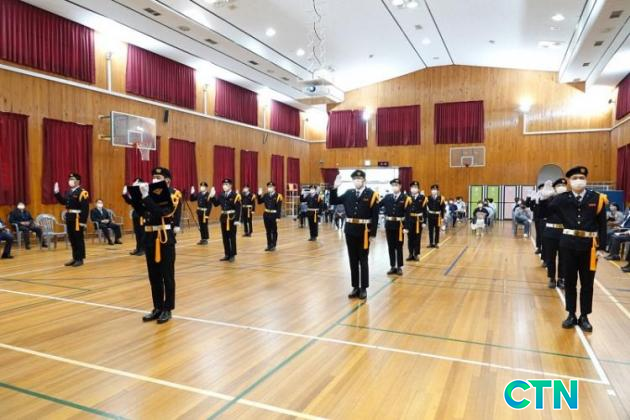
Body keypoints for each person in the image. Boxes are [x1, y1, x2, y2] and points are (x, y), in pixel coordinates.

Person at [549, 166, 607, 332]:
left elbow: (602, 225)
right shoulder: (562, 199)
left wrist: (602, 247)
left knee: (587, 283)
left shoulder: (597, 198)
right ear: (569, 181)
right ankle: (571, 314)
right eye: (574, 178)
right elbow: (544, 213)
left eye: (581, 177)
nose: (578, 181)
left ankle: (585, 316)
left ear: (586, 179)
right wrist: (545, 198)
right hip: (568, 245)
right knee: (570, 282)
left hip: (589, 247)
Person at [138, 167, 182, 324]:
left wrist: (146, 198)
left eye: (158, 177)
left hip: (165, 238)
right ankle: (157, 307)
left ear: (167, 180)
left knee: (167, 275)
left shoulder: (173, 194)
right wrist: (137, 197)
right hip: (150, 237)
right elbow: (143, 213)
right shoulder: (149, 194)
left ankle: (167, 309)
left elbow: (162, 212)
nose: (154, 179)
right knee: (154, 276)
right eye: (154, 177)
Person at [329, 170, 379, 300]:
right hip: (350, 230)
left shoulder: (372, 194)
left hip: (364, 232)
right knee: (352, 260)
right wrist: (335, 188)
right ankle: (355, 287)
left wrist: (373, 234)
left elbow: (375, 216)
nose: (357, 181)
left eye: (359, 179)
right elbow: (333, 201)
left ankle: (363, 288)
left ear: (364, 181)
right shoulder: (348, 193)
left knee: (363, 260)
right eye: (355, 179)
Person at [54, 172, 89, 267]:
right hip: (69, 217)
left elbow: (85, 208)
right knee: (72, 239)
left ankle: (80, 259)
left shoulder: (82, 192)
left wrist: (82, 222)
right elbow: (64, 202)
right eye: (69, 179)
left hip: (77, 219)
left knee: (78, 239)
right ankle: (74, 257)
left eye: (72, 179)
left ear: (78, 181)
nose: (70, 181)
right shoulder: (69, 192)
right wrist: (57, 194)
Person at [380, 178, 411, 275]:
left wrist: (406, 227)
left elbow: (408, 214)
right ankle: (392, 266)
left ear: (400, 186)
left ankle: (399, 267)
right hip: (389, 225)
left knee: (399, 246)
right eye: (393, 185)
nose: (394, 187)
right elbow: (377, 205)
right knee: (391, 246)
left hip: (399, 226)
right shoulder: (387, 197)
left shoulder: (405, 198)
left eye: (396, 185)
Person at [543, 178, 568, 289]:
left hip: (564, 232)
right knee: (550, 257)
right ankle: (552, 278)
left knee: (563, 258)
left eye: (563, 186)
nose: (561, 187)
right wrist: (543, 199)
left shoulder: (569, 199)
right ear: (554, 188)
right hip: (550, 232)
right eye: (558, 186)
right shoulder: (549, 199)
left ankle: (561, 278)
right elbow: (542, 213)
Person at [211, 179, 242, 261]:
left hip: (232, 218)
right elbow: (216, 204)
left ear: (230, 186)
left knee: (232, 237)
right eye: (224, 184)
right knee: (225, 237)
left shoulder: (235, 195)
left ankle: (232, 255)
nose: (224, 186)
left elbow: (238, 208)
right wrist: (212, 197)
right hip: (224, 218)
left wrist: (237, 220)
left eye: (226, 184)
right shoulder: (221, 195)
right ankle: (227, 254)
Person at [257, 182, 283, 251]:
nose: (269, 188)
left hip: (274, 215)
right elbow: (259, 202)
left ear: (274, 187)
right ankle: (269, 245)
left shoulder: (278, 196)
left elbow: (279, 207)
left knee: (274, 230)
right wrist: (259, 195)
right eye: (268, 187)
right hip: (266, 214)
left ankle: (273, 245)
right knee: (268, 231)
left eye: (271, 187)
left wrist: (278, 217)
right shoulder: (266, 195)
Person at [123, 178, 145, 256]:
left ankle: (142, 249)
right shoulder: (135, 195)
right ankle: (138, 248)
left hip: (143, 215)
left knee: (142, 233)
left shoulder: (144, 193)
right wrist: (125, 194)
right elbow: (130, 202)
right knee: (137, 233)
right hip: (136, 215)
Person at [405, 181, 427, 261]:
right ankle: (410, 254)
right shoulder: (407, 197)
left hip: (418, 221)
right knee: (410, 238)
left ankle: (416, 254)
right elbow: (405, 211)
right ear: (410, 188)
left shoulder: (423, 198)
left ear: (418, 189)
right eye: (412, 187)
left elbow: (424, 211)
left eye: (415, 187)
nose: (414, 189)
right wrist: (405, 223)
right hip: (410, 220)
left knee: (417, 238)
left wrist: (424, 222)